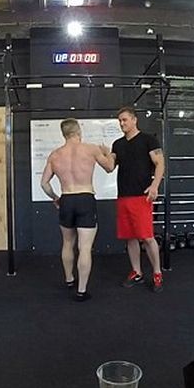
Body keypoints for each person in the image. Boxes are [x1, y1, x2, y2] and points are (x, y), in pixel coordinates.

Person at [40, 119, 114, 301]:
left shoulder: (55, 155)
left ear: (63, 134)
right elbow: (110, 167)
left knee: (67, 243)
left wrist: (55, 198)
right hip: (85, 199)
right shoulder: (91, 149)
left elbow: (44, 184)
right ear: (78, 131)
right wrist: (108, 153)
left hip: (66, 199)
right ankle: (81, 291)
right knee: (85, 247)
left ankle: (69, 279)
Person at [100, 106, 166, 292]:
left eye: (124, 120)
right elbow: (109, 167)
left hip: (141, 196)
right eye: (119, 121)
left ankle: (157, 272)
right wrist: (104, 154)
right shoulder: (118, 144)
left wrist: (154, 186)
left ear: (134, 120)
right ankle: (137, 272)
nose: (121, 123)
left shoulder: (148, 140)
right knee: (130, 237)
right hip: (124, 197)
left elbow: (160, 163)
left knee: (147, 237)